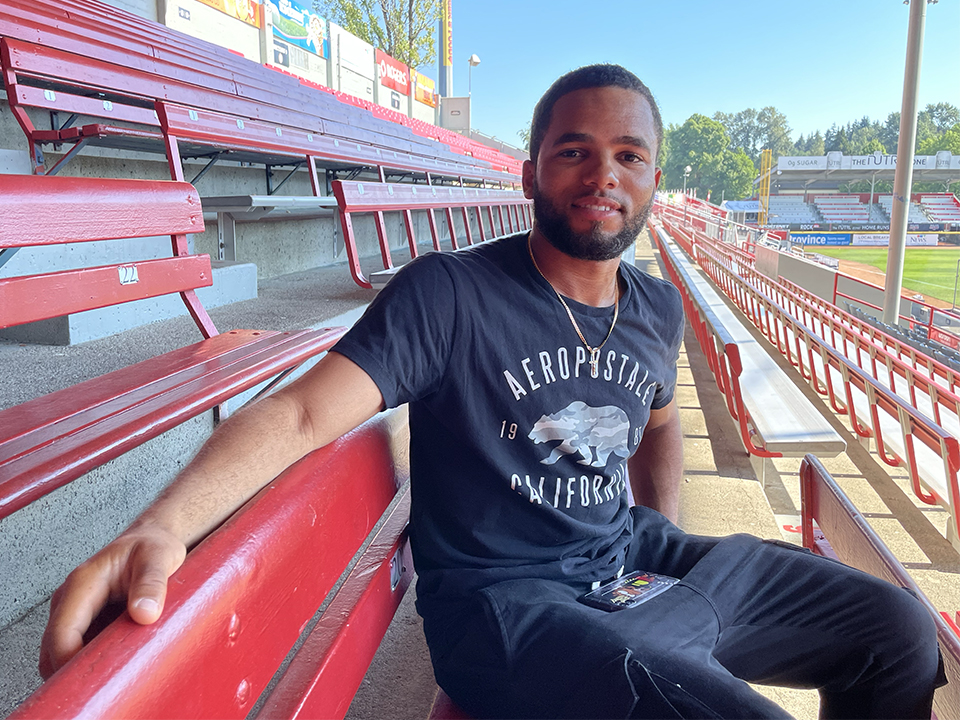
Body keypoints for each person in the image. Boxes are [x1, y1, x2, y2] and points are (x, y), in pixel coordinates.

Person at [40, 65, 942, 719]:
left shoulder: (656, 306)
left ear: (655, 182)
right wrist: (162, 525)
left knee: (897, 631)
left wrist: (654, 535)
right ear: (531, 172)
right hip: (506, 606)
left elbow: (659, 419)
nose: (603, 177)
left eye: (629, 156)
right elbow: (302, 411)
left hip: (628, 564)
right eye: (575, 151)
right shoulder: (451, 294)